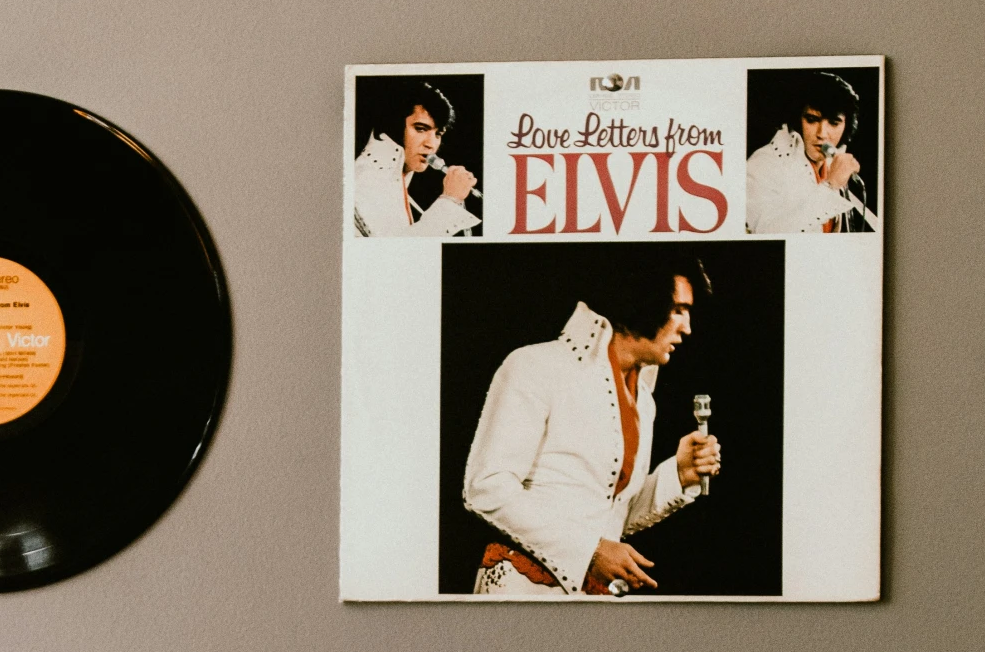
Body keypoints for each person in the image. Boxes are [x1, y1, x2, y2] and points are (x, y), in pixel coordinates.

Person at [462, 262, 722, 598]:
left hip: (590, 599)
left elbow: (610, 515)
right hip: (523, 590)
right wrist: (589, 551)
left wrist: (678, 474)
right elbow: (486, 487)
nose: (687, 328)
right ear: (645, 301)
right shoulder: (536, 366)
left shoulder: (644, 400)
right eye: (678, 310)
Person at [746, 73, 871, 235]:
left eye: (833, 123)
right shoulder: (764, 163)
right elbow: (764, 233)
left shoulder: (831, 165)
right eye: (812, 120)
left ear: (846, 127)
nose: (822, 134)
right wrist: (830, 186)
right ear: (798, 120)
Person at [353, 80, 480, 238]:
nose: (431, 144)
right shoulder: (369, 177)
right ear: (394, 126)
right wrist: (450, 199)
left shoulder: (390, 180)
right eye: (420, 129)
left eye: (438, 134)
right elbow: (399, 254)